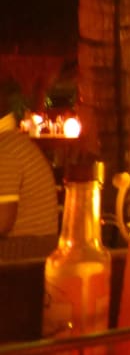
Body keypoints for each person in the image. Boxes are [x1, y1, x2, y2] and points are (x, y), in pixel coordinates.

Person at [0, 84, 58, 256]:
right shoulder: (12, 141)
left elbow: (2, 222)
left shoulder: (5, 149)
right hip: (32, 250)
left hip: (21, 254)